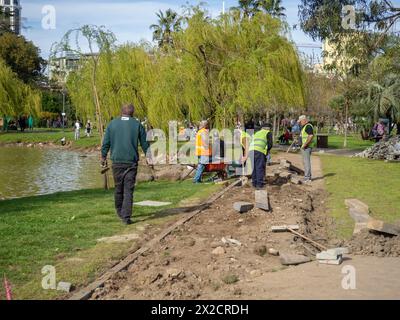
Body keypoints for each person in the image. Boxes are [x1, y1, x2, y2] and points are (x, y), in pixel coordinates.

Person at [101, 104, 151, 225]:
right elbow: (144, 144)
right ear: (132, 113)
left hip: (117, 162)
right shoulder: (137, 125)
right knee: (128, 189)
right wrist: (149, 157)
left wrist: (103, 156)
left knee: (119, 188)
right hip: (131, 162)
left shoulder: (112, 124)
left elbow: (106, 142)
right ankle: (126, 216)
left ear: (121, 111)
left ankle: (120, 211)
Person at [248, 123, 273, 189]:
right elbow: (270, 144)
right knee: (259, 167)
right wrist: (267, 151)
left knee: (254, 167)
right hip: (259, 151)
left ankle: (254, 183)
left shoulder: (257, 133)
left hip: (251, 150)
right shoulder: (268, 133)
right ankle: (259, 184)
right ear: (268, 128)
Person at [299, 115, 315, 183]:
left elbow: (310, 136)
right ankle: (308, 177)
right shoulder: (305, 126)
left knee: (306, 162)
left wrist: (305, 144)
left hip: (306, 147)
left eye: (300, 121)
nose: (300, 123)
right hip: (305, 147)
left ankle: (307, 178)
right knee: (305, 162)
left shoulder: (308, 126)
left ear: (304, 120)